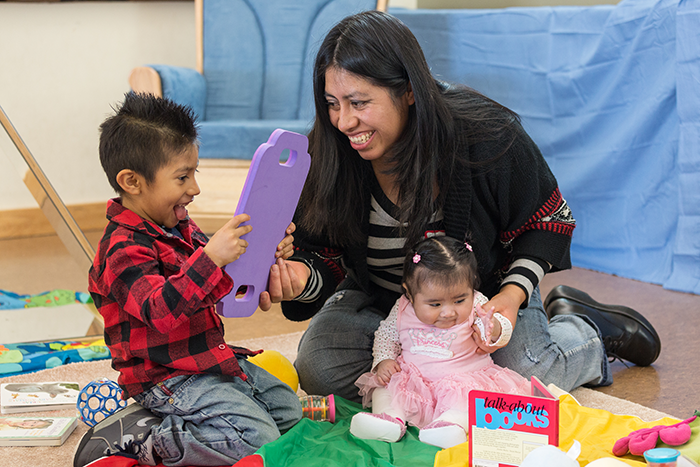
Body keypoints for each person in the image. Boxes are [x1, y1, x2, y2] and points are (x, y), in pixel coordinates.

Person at [263, 10, 660, 403]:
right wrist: (300, 278)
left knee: (528, 373)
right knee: (319, 368)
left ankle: (588, 332)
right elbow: (321, 253)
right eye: (333, 103)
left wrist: (512, 296)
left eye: (359, 102)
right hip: (387, 304)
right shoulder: (329, 153)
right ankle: (427, 364)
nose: (344, 121)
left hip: (484, 298)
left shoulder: (488, 134)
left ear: (409, 91)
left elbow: (549, 221)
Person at [74, 93, 302, 467]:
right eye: (182, 176)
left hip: (209, 361)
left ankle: (182, 424)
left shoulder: (179, 225)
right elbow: (161, 311)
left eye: (195, 173)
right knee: (255, 440)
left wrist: (261, 258)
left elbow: (217, 282)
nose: (194, 188)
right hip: (165, 376)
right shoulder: (120, 249)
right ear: (132, 182)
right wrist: (211, 256)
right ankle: (143, 438)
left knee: (288, 416)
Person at [349, 236, 531, 449]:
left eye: (459, 300)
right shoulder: (403, 308)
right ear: (409, 292)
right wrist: (384, 361)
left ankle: (450, 426)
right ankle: (388, 420)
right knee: (384, 388)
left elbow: (498, 330)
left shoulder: (478, 304)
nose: (448, 312)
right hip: (414, 380)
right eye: (435, 304)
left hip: (463, 381)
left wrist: (495, 328)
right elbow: (386, 335)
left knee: (469, 403)